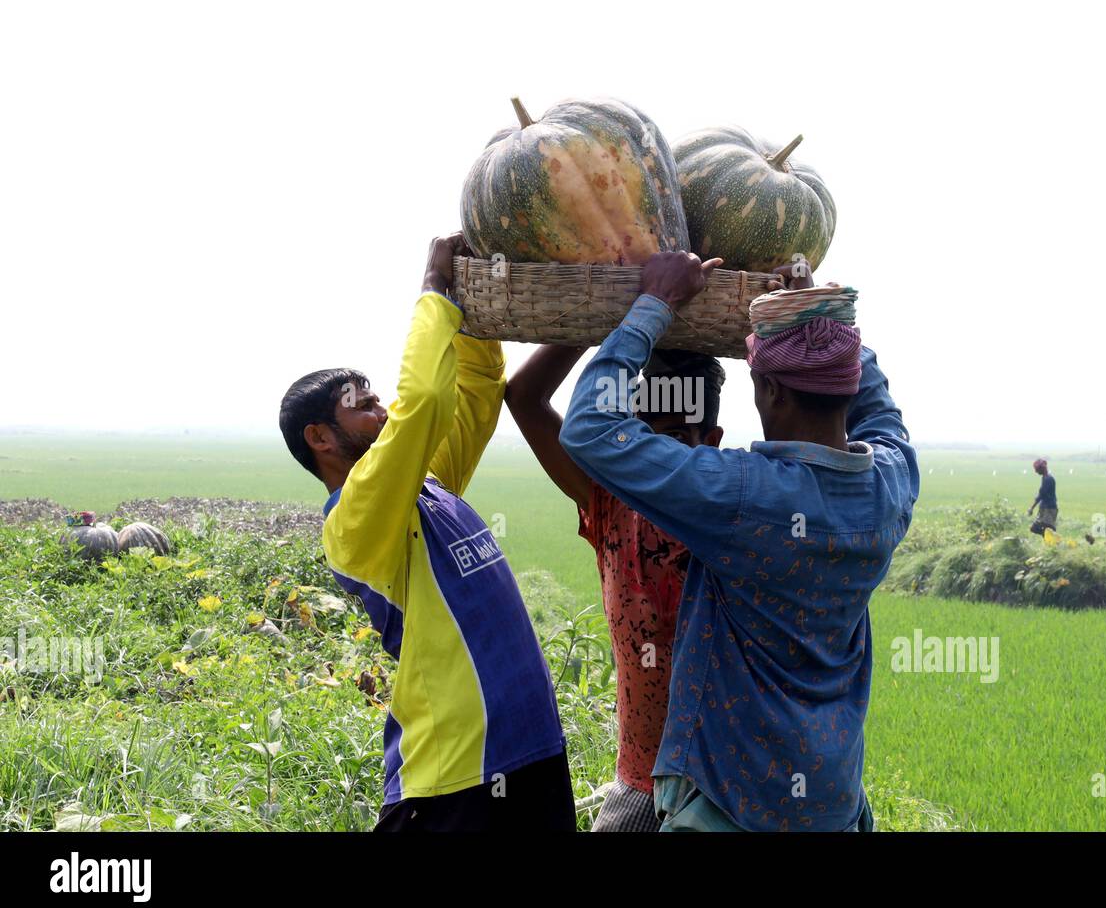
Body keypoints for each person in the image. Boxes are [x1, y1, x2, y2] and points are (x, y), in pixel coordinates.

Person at [559, 251, 921, 832]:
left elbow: (591, 428)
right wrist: (823, 319)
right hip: (830, 800)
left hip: (731, 804)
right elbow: (882, 418)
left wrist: (652, 307)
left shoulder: (744, 495)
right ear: (847, 388)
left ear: (770, 392)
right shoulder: (890, 486)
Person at [277, 233, 574, 832]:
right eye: (363, 405)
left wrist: (476, 307)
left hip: (533, 749)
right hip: (453, 778)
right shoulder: (356, 519)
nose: (383, 412)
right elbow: (426, 402)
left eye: (379, 400)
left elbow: (474, 393)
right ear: (321, 439)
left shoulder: (427, 485)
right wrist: (433, 291)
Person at [506, 343, 725, 831]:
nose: (653, 456)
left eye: (672, 437)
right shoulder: (609, 499)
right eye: (641, 436)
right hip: (640, 783)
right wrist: (600, 317)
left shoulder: (742, 509)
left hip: (726, 790)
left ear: (710, 441)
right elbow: (523, 396)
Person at [1028, 458, 1058, 535]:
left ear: (1042, 469)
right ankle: (1051, 542)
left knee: (1041, 529)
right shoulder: (1046, 478)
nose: (1036, 471)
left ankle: (1054, 541)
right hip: (1046, 508)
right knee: (1046, 531)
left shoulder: (1048, 479)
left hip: (1048, 509)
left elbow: (1041, 495)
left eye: (1037, 469)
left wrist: (1031, 508)